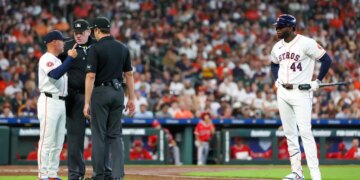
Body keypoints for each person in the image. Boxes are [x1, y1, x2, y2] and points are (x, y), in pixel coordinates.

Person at [270, 14, 332, 180]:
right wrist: (276, 79)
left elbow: (327, 60)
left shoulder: (306, 43)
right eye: (276, 27)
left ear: (290, 27)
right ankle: (297, 172)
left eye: (280, 27)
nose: (277, 30)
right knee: (290, 134)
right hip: (282, 92)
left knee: (305, 132)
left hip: (301, 92)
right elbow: (274, 63)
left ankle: (316, 175)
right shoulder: (277, 47)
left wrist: (318, 81)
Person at [83, 17, 135, 180]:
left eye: (94, 30)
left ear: (97, 30)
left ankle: (99, 175)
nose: (93, 33)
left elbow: (91, 76)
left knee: (99, 135)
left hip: (101, 92)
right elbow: (129, 75)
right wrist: (131, 99)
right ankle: (118, 175)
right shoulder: (122, 47)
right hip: (118, 92)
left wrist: (86, 102)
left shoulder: (94, 48)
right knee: (115, 136)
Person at [37, 30, 77, 180]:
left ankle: (52, 174)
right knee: (47, 140)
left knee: (58, 142)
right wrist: (70, 59)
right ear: (54, 42)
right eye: (62, 41)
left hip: (60, 101)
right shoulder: (46, 58)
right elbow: (54, 74)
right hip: (49, 100)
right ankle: (42, 175)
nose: (64, 44)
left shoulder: (58, 59)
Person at [58, 19, 94, 180]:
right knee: (75, 137)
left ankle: (102, 173)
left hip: (95, 96)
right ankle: (75, 174)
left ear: (89, 32)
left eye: (81, 32)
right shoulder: (66, 47)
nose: (78, 35)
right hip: (74, 96)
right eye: (75, 33)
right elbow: (53, 68)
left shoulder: (98, 45)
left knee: (101, 136)